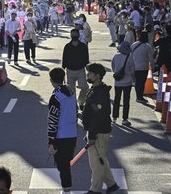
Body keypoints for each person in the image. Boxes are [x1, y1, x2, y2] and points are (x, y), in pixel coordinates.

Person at [82, 63, 120, 194]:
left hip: (98, 132)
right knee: (101, 159)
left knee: (96, 163)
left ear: (97, 76)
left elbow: (97, 117)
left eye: (90, 73)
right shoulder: (96, 89)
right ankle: (112, 185)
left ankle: (95, 189)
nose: (87, 75)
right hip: (95, 131)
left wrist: (91, 135)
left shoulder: (99, 93)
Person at [47, 67, 77, 193]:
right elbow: (76, 111)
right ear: (64, 78)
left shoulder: (56, 97)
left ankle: (66, 188)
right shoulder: (71, 93)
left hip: (61, 136)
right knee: (65, 163)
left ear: (51, 80)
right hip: (72, 134)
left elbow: (53, 119)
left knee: (62, 165)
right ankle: (67, 187)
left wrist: (51, 140)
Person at [62, 28, 90, 109]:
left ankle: (81, 102)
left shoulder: (83, 46)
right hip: (70, 71)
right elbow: (64, 58)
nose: (74, 36)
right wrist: (63, 70)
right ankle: (73, 105)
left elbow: (86, 58)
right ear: (70, 36)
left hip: (81, 70)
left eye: (75, 34)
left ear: (78, 35)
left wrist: (87, 67)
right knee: (71, 91)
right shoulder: (67, 46)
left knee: (84, 87)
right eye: (72, 34)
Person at [111, 41, 135, 126]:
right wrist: (133, 79)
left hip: (118, 82)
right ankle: (125, 119)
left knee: (117, 99)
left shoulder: (116, 56)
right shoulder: (130, 57)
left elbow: (113, 67)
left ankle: (114, 118)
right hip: (127, 82)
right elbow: (132, 70)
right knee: (126, 100)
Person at [131, 31, 155, 103]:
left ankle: (138, 96)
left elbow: (130, 55)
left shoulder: (134, 45)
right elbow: (151, 58)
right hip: (143, 67)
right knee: (142, 82)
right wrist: (153, 66)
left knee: (137, 82)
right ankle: (140, 96)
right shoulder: (147, 47)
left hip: (134, 66)